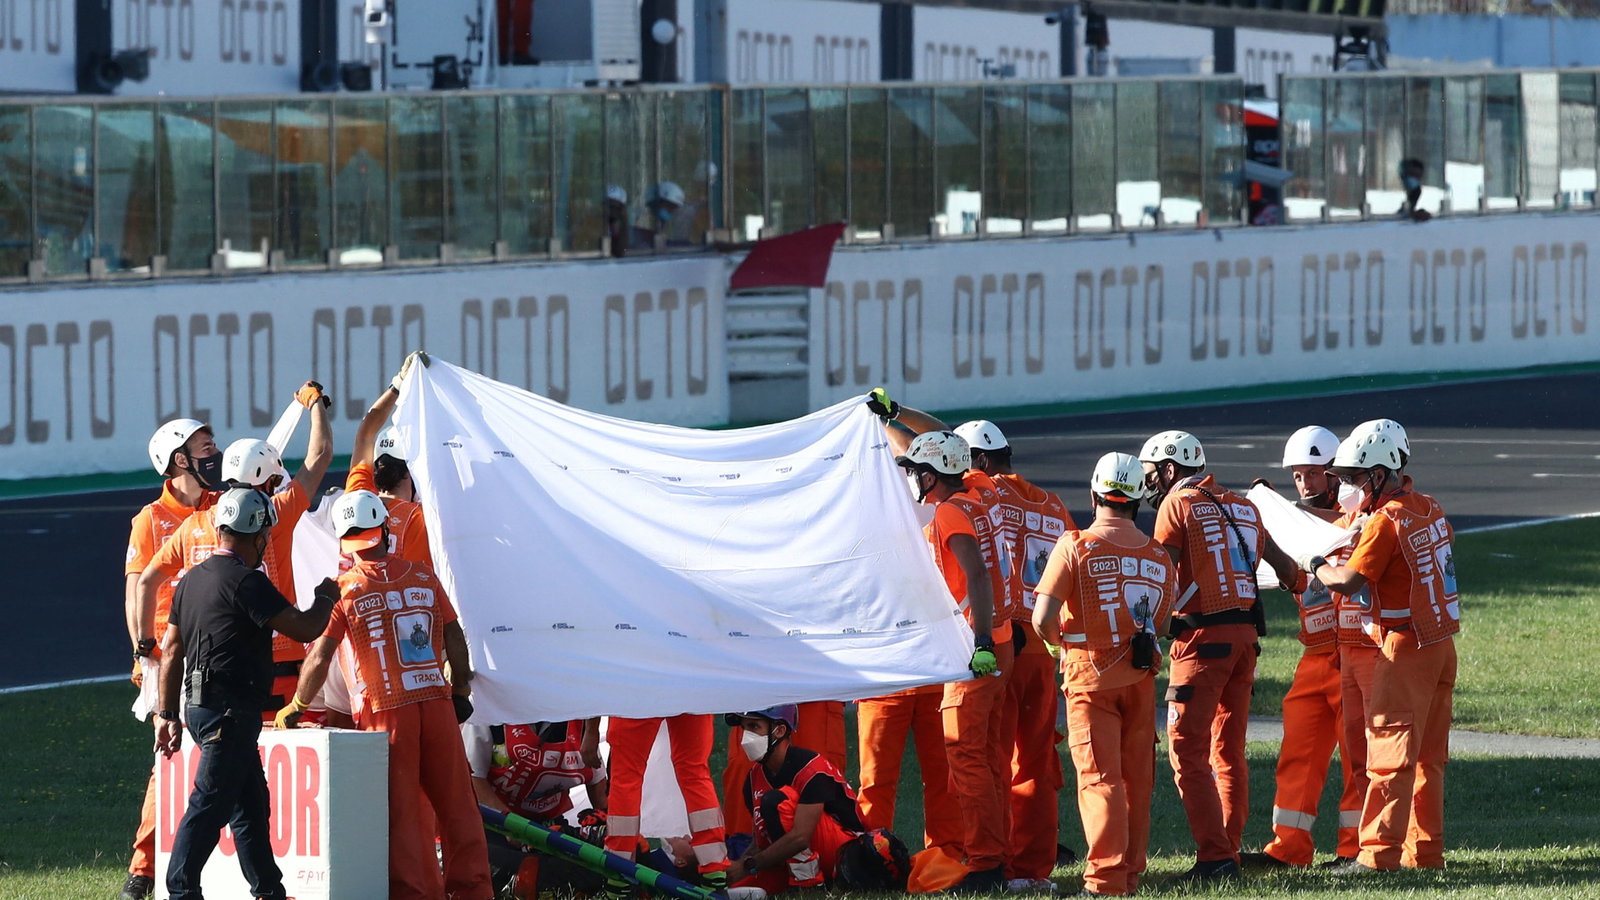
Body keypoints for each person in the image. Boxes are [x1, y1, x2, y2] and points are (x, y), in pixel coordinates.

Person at [280, 489, 492, 900]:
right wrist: (461, 687)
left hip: (385, 711)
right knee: (458, 809)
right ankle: (475, 891)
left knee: (404, 815)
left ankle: (417, 894)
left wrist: (298, 705)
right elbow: (454, 636)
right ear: (384, 531)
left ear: (344, 541)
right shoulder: (424, 576)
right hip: (436, 701)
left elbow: (321, 654)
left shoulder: (344, 590)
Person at [154, 487, 336, 900]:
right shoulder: (246, 582)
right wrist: (327, 596)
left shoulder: (192, 579)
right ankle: (181, 890)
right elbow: (305, 628)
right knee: (212, 805)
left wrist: (166, 713)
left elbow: (170, 650)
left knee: (250, 805)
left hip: (201, 708)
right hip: (229, 711)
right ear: (258, 535)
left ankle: (269, 890)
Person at [1139, 430, 1298, 881]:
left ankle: (1214, 858)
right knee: (1227, 751)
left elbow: (1159, 573)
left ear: (1170, 469)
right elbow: (1288, 571)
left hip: (1200, 640)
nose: (1149, 484)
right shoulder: (1244, 506)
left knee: (1187, 751)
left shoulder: (1177, 504)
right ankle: (1227, 848)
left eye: (1152, 474)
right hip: (1245, 638)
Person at [1299, 429, 1458, 875]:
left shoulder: (1385, 519)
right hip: (1440, 643)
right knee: (1428, 759)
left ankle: (1376, 857)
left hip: (1404, 648)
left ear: (1380, 473)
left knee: (1388, 757)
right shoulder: (1430, 507)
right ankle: (1425, 853)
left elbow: (1348, 581)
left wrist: (1317, 564)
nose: (1346, 486)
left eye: (1353, 477)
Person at [136, 382, 333, 723]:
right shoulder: (277, 512)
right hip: (277, 662)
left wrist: (144, 645)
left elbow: (146, 582)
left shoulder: (193, 525)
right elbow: (320, 456)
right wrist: (315, 404)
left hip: (208, 667)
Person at [1033, 452, 1177, 898]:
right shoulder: (1158, 555)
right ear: (1138, 499)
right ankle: (1129, 873)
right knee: (1136, 780)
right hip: (1139, 681)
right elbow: (1166, 625)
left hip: (1090, 679)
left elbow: (1042, 618)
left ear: (1095, 494)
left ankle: (1106, 881)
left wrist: (1064, 643)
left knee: (1100, 780)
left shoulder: (1075, 544)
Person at [954, 418, 1076, 891]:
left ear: (981, 462)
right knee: (1037, 759)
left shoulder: (983, 495)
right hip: (1044, 642)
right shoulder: (1052, 503)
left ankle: (997, 862)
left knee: (991, 755)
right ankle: (1035, 866)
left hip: (1002, 637)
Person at [895, 429, 1010, 893]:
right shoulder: (980, 496)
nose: (912, 482)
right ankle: (995, 857)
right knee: (986, 757)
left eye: (916, 473)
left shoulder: (947, 511)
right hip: (998, 642)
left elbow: (977, 573)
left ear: (931, 475)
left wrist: (978, 640)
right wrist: (893, 419)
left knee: (965, 755)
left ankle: (983, 864)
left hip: (975, 648)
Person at [1242, 425, 1362, 868]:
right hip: (1314, 655)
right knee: (1298, 754)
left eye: (1313, 474)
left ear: (1338, 476)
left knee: (1360, 759)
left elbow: (1340, 529)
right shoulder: (1293, 524)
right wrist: (1268, 514)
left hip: (1357, 653)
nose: (1304, 484)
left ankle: (1357, 849)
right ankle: (1289, 848)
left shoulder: (1362, 517)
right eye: (1297, 475)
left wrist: (1284, 514)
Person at [121, 417, 224, 900]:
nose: (215, 452)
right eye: (206, 446)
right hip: (168, 655)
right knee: (170, 760)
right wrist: (143, 651)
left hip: (217, 650)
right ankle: (143, 869)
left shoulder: (221, 505)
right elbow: (135, 590)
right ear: (180, 459)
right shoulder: (150, 518)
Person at [726, 706, 879, 894]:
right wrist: (739, 867)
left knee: (776, 801)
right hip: (794, 852)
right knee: (737, 889)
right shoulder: (752, 778)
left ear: (780, 730)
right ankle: (795, 876)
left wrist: (750, 864)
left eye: (754, 727)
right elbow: (760, 841)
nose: (746, 737)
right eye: (744, 728)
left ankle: (810, 883)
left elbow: (800, 837)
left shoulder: (812, 768)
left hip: (848, 852)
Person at [465, 718, 609, 898]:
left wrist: (609, 826)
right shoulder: (488, 712)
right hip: (493, 824)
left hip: (549, 826)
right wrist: (510, 824)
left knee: (575, 876)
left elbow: (598, 785)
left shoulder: (580, 720)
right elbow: (472, 778)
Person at [603, 713, 731, 890]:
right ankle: (715, 875)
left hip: (639, 689)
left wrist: (591, 733)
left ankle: (618, 879)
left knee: (626, 777)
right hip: (693, 687)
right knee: (695, 772)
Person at [722, 702, 848, 836]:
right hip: (755, 688)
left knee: (817, 774)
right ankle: (742, 845)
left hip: (816, 693)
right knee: (745, 770)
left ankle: (832, 850)